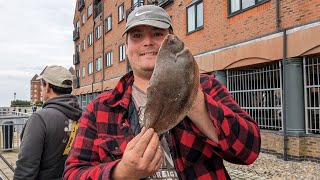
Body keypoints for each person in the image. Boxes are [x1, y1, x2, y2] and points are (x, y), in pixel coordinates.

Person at [64, 5, 261, 180]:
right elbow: (73, 173)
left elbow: (249, 151)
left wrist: (190, 96)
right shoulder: (101, 108)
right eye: (137, 35)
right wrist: (121, 173)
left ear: (172, 39)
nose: (148, 42)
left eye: (157, 34)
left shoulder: (207, 86)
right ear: (126, 47)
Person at [14, 65, 82, 180]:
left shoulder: (39, 119)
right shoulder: (83, 116)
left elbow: (26, 168)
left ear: (48, 87)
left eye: (42, 84)